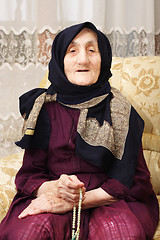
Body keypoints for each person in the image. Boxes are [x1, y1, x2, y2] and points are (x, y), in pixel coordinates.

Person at [0, 22, 159, 240]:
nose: (83, 59)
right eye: (72, 51)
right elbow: (30, 175)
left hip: (111, 200)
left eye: (92, 50)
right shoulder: (43, 108)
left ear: (103, 60)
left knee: (120, 234)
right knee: (28, 233)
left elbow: (127, 181)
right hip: (54, 193)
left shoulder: (122, 111)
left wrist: (74, 201)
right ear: (59, 61)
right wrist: (55, 188)